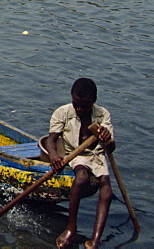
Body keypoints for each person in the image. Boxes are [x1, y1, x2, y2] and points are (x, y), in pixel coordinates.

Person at [45, 78, 115, 249]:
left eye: (85, 105)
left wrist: (107, 139)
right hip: (74, 154)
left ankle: (95, 240)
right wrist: (54, 156)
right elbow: (50, 140)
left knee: (106, 191)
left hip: (96, 154)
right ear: (72, 98)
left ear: (94, 101)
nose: (80, 109)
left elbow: (111, 148)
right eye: (76, 104)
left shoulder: (102, 114)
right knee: (82, 178)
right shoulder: (63, 113)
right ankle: (71, 228)